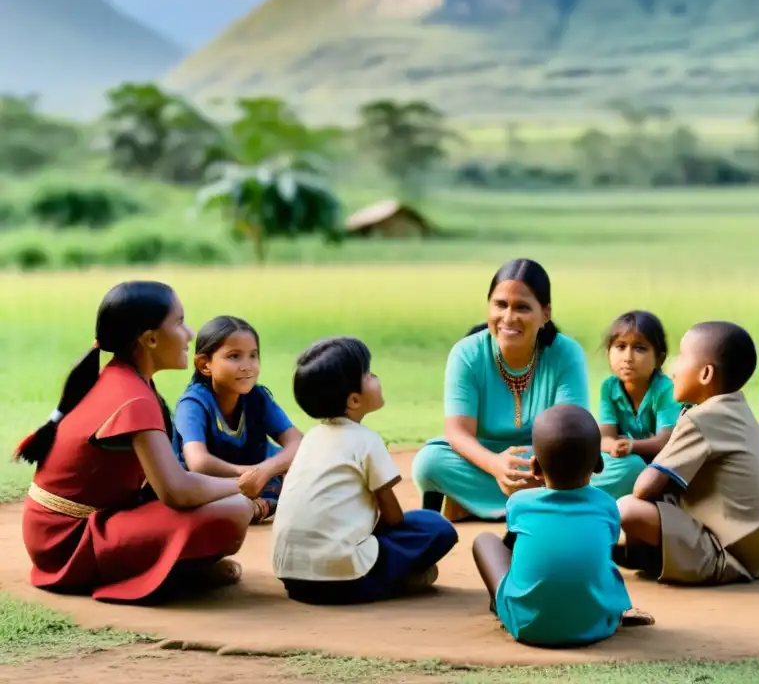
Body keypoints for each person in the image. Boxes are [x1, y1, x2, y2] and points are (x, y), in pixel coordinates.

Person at [15, 281, 257, 603]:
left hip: (55, 533)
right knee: (235, 510)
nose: (189, 333)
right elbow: (177, 492)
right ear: (151, 338)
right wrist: (246, 483)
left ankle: (177, 566)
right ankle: (172, 571)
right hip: (67, 543)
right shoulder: (133, 397)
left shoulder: (123, 378)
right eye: (179, 322)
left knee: (223, 503)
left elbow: (167, 484)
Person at [272, 337, 459, 605]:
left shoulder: (311, 438)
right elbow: (393, 517)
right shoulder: (366, 440)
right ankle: (394, 582)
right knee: (435, 526)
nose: (376, 377)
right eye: (369, 374)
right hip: (345, 581)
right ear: (354, 400)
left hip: (293, 579)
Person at [411, 258, 590, 522]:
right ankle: (540, 505)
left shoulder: (566, 353)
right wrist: (495, 465)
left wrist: (531, 467)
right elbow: (457, 432)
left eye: (522, 307)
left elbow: (570, 435)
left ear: (545, 314)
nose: (508, 317)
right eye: (500, 305)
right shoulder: (467, 353)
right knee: (430, 462)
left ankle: (475, 503)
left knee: (619, 467)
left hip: (546, 463)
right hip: (484, 461)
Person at [616, 321, 759, 586]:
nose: (671, 369)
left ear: (705, 374)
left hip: (727, 555)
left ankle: (595, 551)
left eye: (681, 357)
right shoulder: (735, 407)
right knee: (659, 504)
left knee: (627, 509)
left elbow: (643, 489)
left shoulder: (702, 419)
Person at [472, 404, 654, 647]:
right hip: (595, 624)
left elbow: (514, 543)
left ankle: (502, 603)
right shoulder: (607, 506)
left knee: (484, 541)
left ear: (535, 467)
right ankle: (617, 608)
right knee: (600, 562)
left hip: (527, 626)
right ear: (599, 466)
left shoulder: (519, 502)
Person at [172, 315, 303, 524]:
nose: (247, 366)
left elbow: (296, 441)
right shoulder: (193, 404)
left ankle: (255, 505)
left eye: (253, 355)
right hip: (214, 485)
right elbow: (198, 462)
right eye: (234, 356)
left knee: (306, 474)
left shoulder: (257, 398)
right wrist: (248, 475)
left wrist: (265, 471)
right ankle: (256, 505)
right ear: (205, 365)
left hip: (260, 479)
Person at [592, 311, 685, 500]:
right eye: (620, 346)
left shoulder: (665, 389)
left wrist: (631, 445)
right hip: (625, 461)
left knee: (634, 468)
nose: (628, 357)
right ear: (608, 352)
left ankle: (586, 495)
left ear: (659, 358)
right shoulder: (609, 387)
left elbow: (665, 442)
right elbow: (604, 438)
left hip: (661, 466)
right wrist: (614, 446)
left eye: (640, 348)